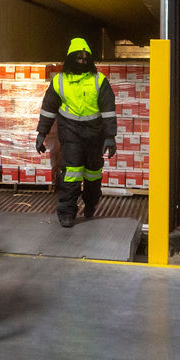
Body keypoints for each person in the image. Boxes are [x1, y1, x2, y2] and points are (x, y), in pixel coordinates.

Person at [35, 38, 117, 228]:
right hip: (70, 132)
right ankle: (67, 212)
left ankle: (90, 204)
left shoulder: (99, 80)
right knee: (71, 172)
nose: (82, 61)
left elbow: (108, 110)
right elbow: (48, 109)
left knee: (93, 173)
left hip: (95, 134)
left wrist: (110, 137)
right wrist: (41, 133)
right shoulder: (59, 81)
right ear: (70, 58)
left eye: (85, 57)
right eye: (78, 57)